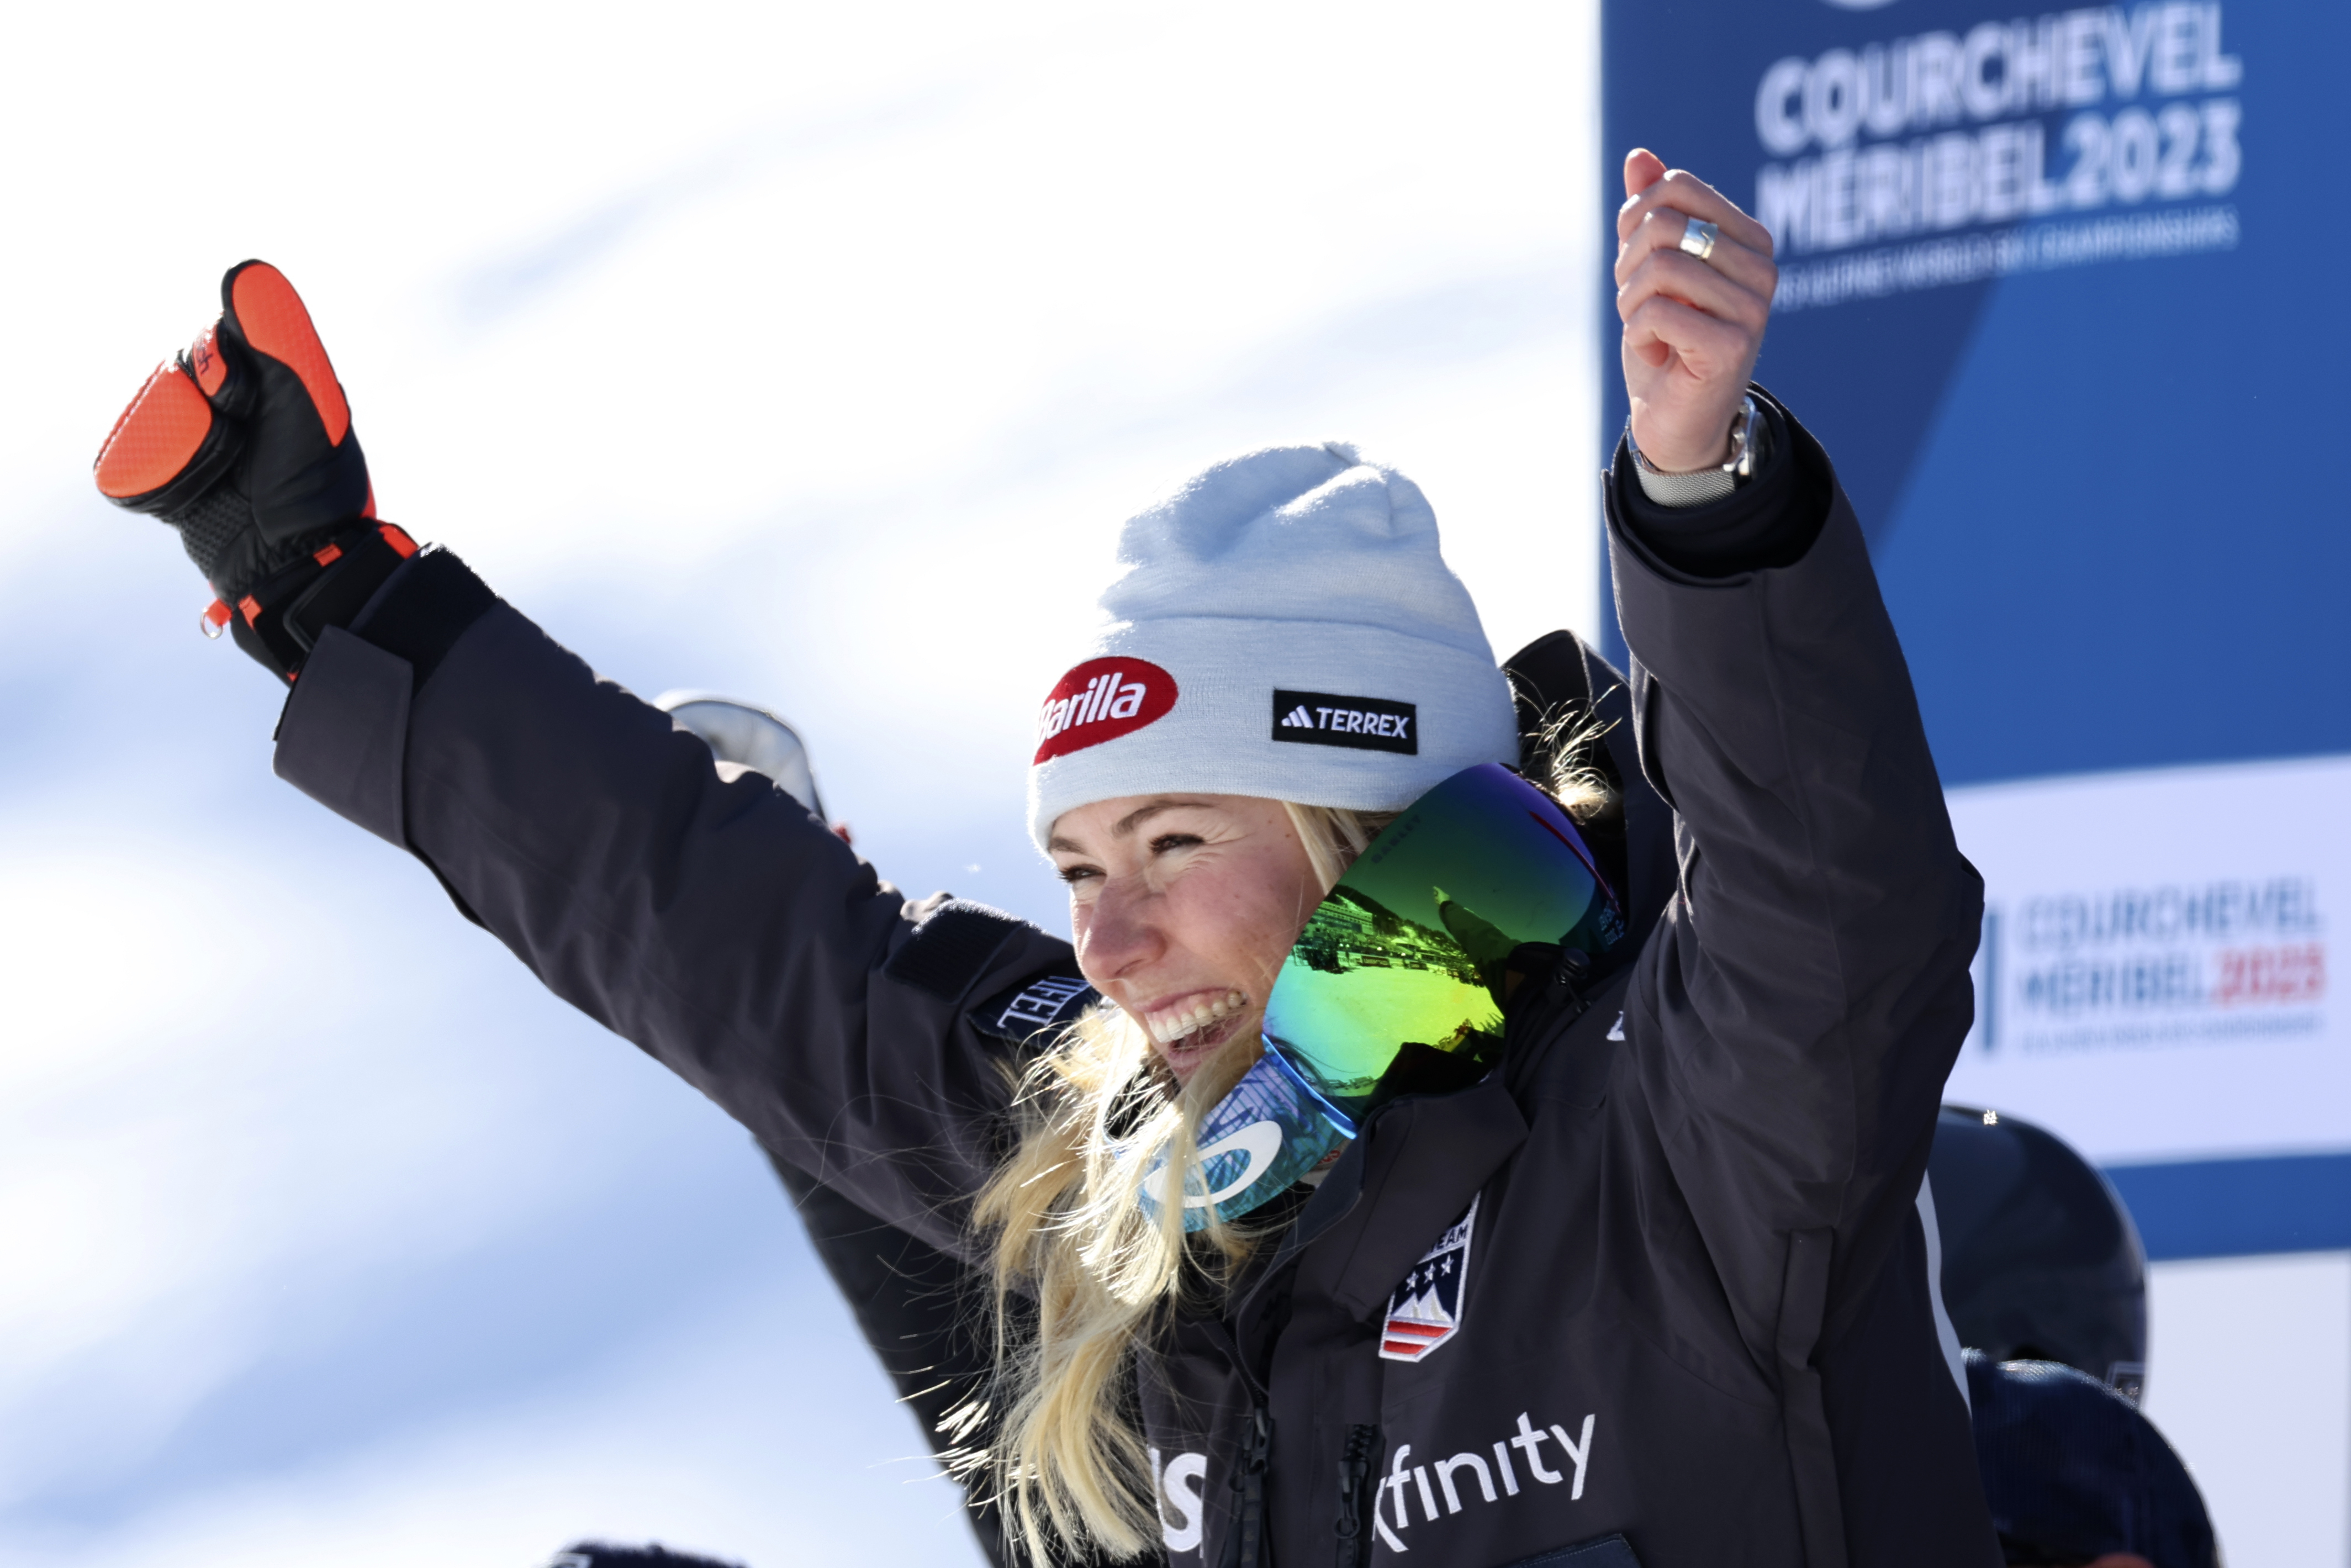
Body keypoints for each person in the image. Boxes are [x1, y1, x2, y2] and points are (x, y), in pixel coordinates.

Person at [90, 150, 1995, 1566]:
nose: (1108, 934)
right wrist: (331, 600)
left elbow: (1838, 900)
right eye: (1079, 860)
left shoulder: (1685, 1138)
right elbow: (735, 939)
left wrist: (1707, 506)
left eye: (1174, 838)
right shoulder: (1142, 1172)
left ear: (1371, 831)